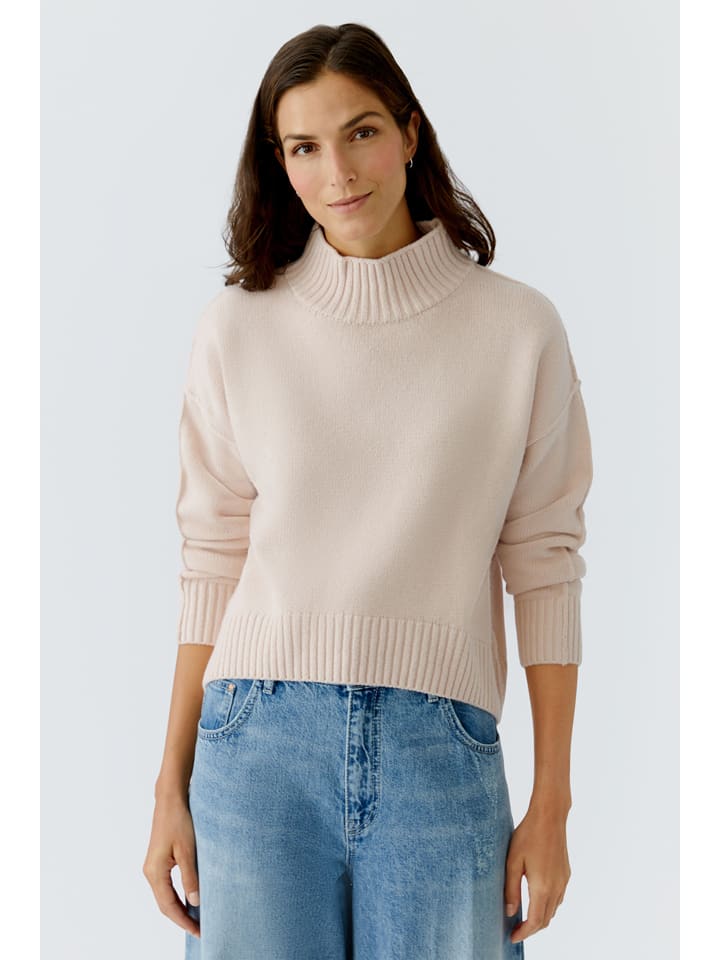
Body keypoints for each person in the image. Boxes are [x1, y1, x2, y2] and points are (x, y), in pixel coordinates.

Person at [143, 21, 593, 960]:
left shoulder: (518, 330)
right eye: (304, 147)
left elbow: (545, 562)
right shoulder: (238, 327)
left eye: (361, 132)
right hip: (255, 750)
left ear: (410, 132)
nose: (338, 172)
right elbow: (213, 559)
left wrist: (551, 801)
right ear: (279, 164)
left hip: (441, 752)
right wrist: (167, 787)